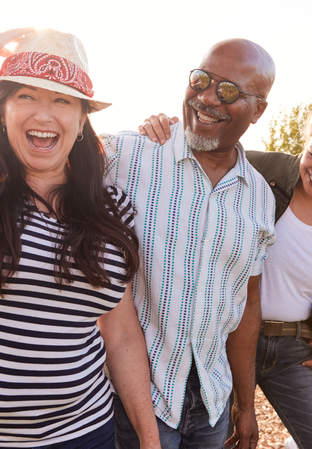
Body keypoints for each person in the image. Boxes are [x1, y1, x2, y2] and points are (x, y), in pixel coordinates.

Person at [141, 93, 312, 449]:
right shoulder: (256, 170)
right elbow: (198, 152)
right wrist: (164, 127)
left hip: (295, 350)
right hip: (225, 341)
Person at [0, 28, 160, 448]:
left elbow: (120, 332)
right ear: (2, 112)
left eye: (61, 100)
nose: (43, 116)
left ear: (81, 120)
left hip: (83, 434)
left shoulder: (111, 210)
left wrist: (150, 442)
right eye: (25, 96)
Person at [102, 39, 276, 449]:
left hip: (212, 403)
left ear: (258, 109)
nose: (206, 97)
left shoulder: (259, 198)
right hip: (130, 398)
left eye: (228, 90)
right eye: (201, 79)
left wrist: (244, 405)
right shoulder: (126, 156)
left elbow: (247, 304)